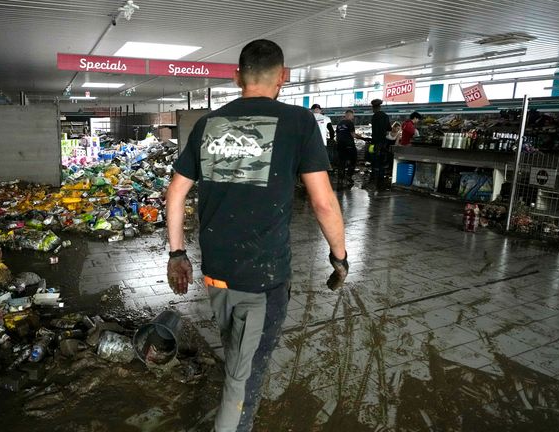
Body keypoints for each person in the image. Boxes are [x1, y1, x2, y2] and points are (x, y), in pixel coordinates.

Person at [164, 39, 349, 432]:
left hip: (216, 273)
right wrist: (339, 256)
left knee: (237, 350)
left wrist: (177, 254)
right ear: (284, 76)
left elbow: (176, 192)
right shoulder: (299, 122)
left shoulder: (208, 124)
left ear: (236, 77)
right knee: (243, 379)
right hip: (262, 278)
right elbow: (323, 203)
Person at [334, 109, 365, 186]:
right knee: (353, 160)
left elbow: (337, 136)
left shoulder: (339, 124)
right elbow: (353, 135)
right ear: (350, 115)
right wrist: (362, 138)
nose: (353, 117)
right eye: (353, 115)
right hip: (349, 145)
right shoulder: (350, 123)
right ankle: (348, 177)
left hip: (340, 145)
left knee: (342, 163)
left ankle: (340, 179)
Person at [369, 99, 391, 188]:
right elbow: (389, 129)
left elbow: (375, 131)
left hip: (375, 143)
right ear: (380, 107)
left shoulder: (374, 117)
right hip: (384, 143)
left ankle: (374, 179)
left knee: (374, 161)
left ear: (374, 108)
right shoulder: (385, 116)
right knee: (382, 162)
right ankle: (381, 181)